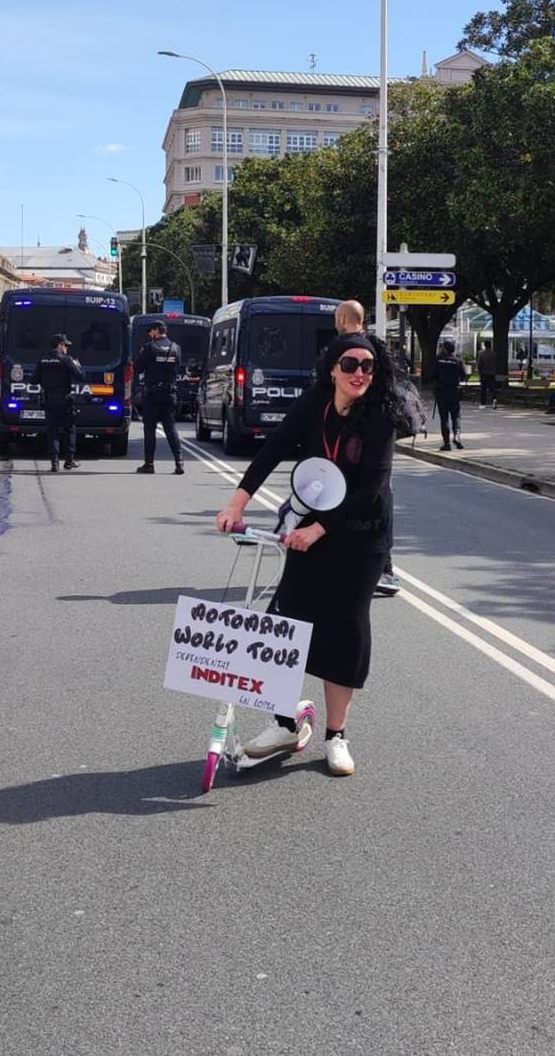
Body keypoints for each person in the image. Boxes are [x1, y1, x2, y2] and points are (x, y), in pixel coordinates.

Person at [215, 332, 397, 777]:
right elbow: (275, 448)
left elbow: (370, 488)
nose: (359, 373)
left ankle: (336, 736)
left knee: (344, 632)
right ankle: (283, 725)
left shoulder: (381, 415)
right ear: (332, 368)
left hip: (360, 537)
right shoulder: (313, 404)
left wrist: (321, 528)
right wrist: (237, 502)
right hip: (308, 530)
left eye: (367, 366)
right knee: (285, 627)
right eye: (350, 364)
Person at [333, 299, 400, 596]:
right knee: (379, 498)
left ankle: (341, 564)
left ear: (344, 318)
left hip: (348, 438)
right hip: (378, 440)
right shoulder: (378, 348)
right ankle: (384, 569)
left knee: (336, 497)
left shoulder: (342, 349)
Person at [134, 318, 184, 475]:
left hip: (152, 394)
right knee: (170, 428)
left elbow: (138, 368)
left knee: (150, 429)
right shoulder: (176, 348)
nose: (149, 334)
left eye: (151, 331)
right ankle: (179, 462)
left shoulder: (150, 348)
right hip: (169, 394)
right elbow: (177, 368)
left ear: (156, 330)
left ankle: (149, 464)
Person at [35, 333, 85, 472]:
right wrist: (78, 366)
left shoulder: (43, 361)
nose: (67, 349)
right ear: (59, 345)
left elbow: (34, 380)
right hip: (65, 401)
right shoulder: (67, 360)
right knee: (70, 429)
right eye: (65, 345)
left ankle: (54, 463)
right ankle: (69, 461)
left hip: (49, 400)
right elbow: (80, 377)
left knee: (52, 431)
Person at [434, 339, 466, 450]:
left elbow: (433, 375)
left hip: (442, 392)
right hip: (455, 392)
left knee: (444, 418)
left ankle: (446, 443)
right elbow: (463, 376)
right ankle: (457, 436)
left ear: (445, 349)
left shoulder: (439, 361)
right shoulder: (458, 361)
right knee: (456, 416)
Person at [476, 341, 497, 408]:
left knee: (483, 389)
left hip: (484, 373)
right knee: (492, 388)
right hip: (492, 373)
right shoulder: (494, 354)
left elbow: (479, 364)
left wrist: (479, 370)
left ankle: (483, 403)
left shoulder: (481, 353)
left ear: (485, 345)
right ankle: (494, 399)